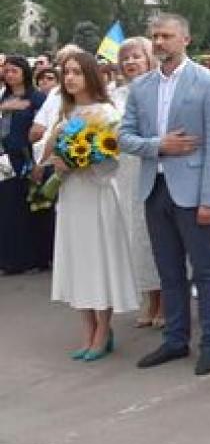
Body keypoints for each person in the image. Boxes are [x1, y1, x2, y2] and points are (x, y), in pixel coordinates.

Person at [119, 14, 210, 376]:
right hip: (156, 189)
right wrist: (159, 146)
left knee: (205, 271)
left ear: (186, 39)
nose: (159, 42)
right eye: (155, 36)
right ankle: (175, 339)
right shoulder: (141, 87)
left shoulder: (209, 82)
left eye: (167, 36)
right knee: (169, 271)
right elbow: (124, 137)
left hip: (194, 191)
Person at [45, 52, 138, 359]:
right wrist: (57, 162)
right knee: (76, 260)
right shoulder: (65, 114)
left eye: (77, 72)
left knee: (98, 259)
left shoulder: (107, 113)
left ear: (90, 77)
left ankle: (103, 328)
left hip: (97, 194)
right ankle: (86, 327)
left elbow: (113, 161)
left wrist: (84, 163)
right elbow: (46, 152)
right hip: (72, 196)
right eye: (66, 72)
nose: (70, 78)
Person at [111, 38, 162, 327]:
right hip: (123, 173)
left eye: (136, 57)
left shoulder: (157, 90)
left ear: (149, 59)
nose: (130, 62)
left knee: (156, 237)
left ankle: (165, 299)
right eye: (126, 58)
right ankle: (148, 296)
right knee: (135, 238)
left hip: (150, 166)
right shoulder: (115, 95)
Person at [1, 56, 50, 274]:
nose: (10, 75)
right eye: (7, 71)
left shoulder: (36, 97)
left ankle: (31, 258)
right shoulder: (5, 96)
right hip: (5, 158)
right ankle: (10, 258)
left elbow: (44, 127)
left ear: (24, 73)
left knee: (28, 208)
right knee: (8, 208)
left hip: (27, 158)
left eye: (14, 71)